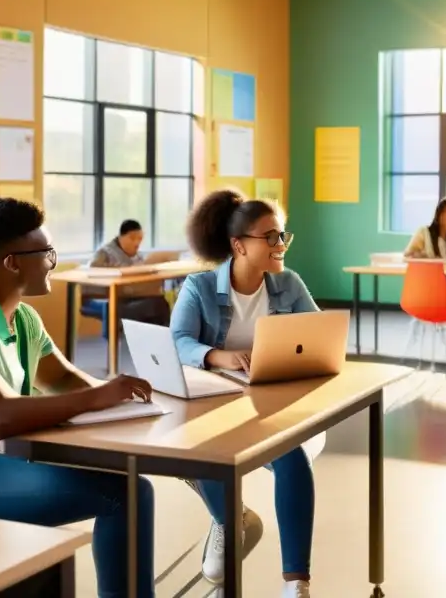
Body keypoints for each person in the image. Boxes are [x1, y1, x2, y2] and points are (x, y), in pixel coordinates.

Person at [0, 198, 156, 598]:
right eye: (47, 253)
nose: (53, 262)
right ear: (13, 263)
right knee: (126, 493)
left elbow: (62, 379)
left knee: (127, 485)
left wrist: (130, 404)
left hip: (0, 463)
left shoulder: (21, 317)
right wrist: (100, 397)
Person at [170, 189, 317, 598]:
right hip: (212, 406)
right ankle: (228, 519)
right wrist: (219, 355)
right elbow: (178, 341)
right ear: (239, 245)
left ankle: (296, 585)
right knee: (202, 452)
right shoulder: (199, 287)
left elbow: (317, 334)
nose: (280, 244)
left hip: (270, 404)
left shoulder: (289, 284)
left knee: (293, 460)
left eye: (283, 236)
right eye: (269, 237)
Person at [87, 218, 171, 327]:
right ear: (121, 236)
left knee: (159, 302)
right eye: (132, 238)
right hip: (109, 297)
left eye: (140, 239)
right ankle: (122, 338)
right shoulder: (104, 252)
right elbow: (93, 271)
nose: (136, 243)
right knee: (148, 306)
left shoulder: (138, 256)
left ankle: (157, 339)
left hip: (133, 295)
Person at [403, 198, 446, 309]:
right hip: (430, 280)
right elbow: (408, 255)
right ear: (440, 215)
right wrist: (423, 256)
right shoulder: (424, 232)